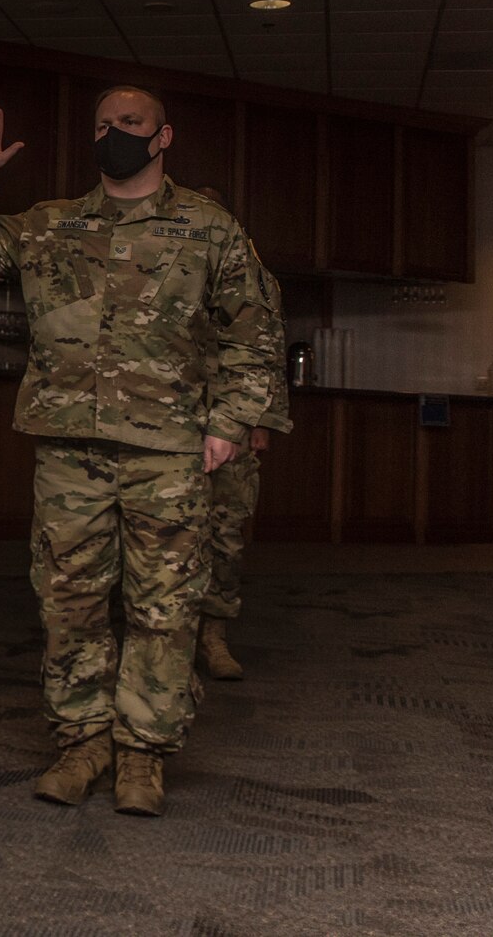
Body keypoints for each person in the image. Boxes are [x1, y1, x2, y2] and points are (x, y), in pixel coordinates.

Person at [0, 87, 279, 818]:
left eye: (129, 124)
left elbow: (253, 331)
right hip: (70, 449)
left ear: (163, 137)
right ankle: (82, 740)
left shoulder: (209, 228)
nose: (112, 134)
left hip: (168, 448)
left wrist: (230, 419)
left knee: (164, 606)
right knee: (69, 600)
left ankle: (143, 755)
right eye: (101, 124)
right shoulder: (53, 223)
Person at [191, 185, 292, 683]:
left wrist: (262, 421)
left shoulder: (256, 276)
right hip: (165, 421)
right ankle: (157, 637)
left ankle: (213, 635)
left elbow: (268, 350)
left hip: (232, 420)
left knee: (224, 536)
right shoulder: (162, 260)